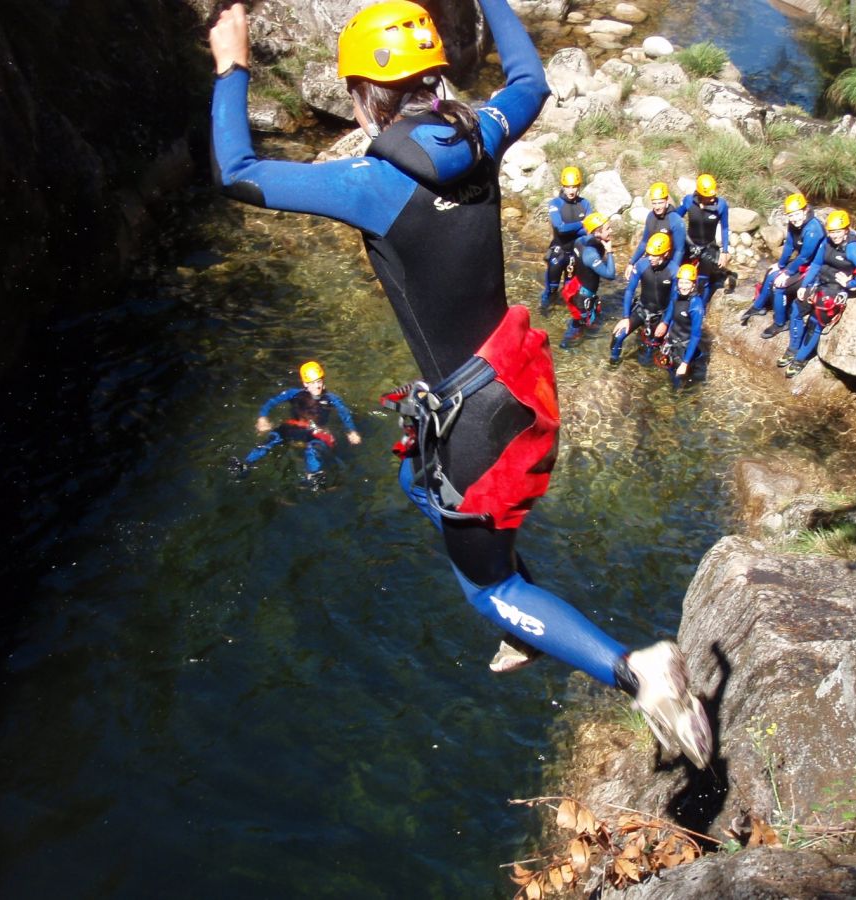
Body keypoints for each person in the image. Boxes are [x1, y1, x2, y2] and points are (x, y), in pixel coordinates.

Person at [209, 0, 711, 767]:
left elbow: (236, 172)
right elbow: (531, 79)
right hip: (513, 385)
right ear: (434, 77)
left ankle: (634, 670)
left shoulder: (370, 183)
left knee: (489, 588)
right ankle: (526, 613)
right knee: (417, 479)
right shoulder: (483, 134)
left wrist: (231, 63)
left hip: (475, 420)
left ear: (365, 96)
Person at [232, 360, 361, 486]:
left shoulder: (331, 399)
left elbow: (344, 414)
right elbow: (271, 402)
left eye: (319, 381)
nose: (317, 386)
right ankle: (246, 464)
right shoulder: (294, 394)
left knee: (313, 448)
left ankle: (313, 474)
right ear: (305, 383)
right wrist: (262, 418)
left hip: (314, 432)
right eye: (312, 383)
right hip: (293, 428)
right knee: (272, 438)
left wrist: (352, 431)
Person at [778, 209, 856, 377]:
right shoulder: (826, 242)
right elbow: (815, 264)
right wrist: (804, 286)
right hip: (819, 282)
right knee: (796, 310)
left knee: (816, 321)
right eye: (831, 232)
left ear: (846, 231)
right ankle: (793, 349)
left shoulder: (852, 248)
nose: (834, 235)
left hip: (834, 288)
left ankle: (800, 359)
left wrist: (850, 283)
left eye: (837, 232)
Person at [740, 192, 825, 339]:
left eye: (797, 214)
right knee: (771, 273)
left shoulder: (813, 229)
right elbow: (789, 246)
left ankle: (780, 323)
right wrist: (780, 265)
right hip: (805, 263)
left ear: (805, 211)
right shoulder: (794, 225)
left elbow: (805, 257)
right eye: (791, 215)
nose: (794, 218)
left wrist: (787, 272)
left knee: (779, 285)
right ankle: (758, 307)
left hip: (816, 269)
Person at [609, 231, 674, 365]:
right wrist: (625, 318)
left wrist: (666, 322)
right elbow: (629, 291)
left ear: (666, 254)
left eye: (655, 255)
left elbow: (674, 300)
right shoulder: (642, 265)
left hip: (660, 315)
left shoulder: (673, 271)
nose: (650, 258)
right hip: (642, 309)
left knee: (649, 353)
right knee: (617, 336)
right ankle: (613, 363)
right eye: (649, 254)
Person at [560, 211, 616, 349]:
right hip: (583, 295)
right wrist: (609, 251)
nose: (611, 230)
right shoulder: (591, 255)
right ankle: (566, 347)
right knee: (579, 323)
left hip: (578, 286)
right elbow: (610, 274)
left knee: (583, 319)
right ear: (597, 232)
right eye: (607, 228)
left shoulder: (580, 241)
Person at [540, 166, 592, 311]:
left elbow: (590, 230)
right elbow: (561, 229)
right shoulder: (555, 203)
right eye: (568, 187)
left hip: (575, 254)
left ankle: (566, 320)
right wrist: (582, 224)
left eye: (574, 187)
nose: (571, 191)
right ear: (563, 186)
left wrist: (580, 228)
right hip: (559, 251)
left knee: (570, 293)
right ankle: (545, 316)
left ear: (579, 187)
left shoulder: (585, 204)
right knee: (551, 290)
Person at [676, 174, 732, 300]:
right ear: (700, 194)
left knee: (703, 281)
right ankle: (678, 304)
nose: (712, 199)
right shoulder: (689, 201)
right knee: (682, 277)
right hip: (689, 244)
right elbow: (675, 217)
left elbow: (724, 228)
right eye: (709, 197)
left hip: (708, 247)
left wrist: (725, 251)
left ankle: (701, 309)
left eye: (713, 196)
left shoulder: (721, 205)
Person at [652, 264, 707, 388]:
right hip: (672, 340)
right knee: (667, 371)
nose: (683, 287)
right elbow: (673, 314)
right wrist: (665, 324)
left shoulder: (696, 306)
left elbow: (695, 336)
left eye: (687, 283)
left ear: (693, 284)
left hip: (684, 347)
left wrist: (685, 363)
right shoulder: (676, 295)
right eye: (681, 282)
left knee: (678, 382)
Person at [624, 182, 686, 280]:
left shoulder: (676, 220)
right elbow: (644, 242)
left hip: (669, 262)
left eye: (660, 203)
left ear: (666, 201)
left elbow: (679, 250)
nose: (657, 207)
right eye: (654, 203)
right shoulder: (651, 217)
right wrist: (632, 263)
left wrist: (673, 271)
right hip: (653, 259)